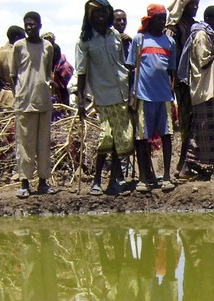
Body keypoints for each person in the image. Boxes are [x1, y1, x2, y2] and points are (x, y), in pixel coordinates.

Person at [77, 0, 135, 195]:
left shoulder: (115, 36)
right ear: (90, 16)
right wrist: (80, 102)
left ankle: (113, 181)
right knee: (105, 138)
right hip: (102, 96)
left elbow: (122, 64)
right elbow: (81, 73)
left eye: (104, 12)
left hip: (122, 93)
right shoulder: (84, 41)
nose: (101, 16)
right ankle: (96, 181)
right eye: (97, 13)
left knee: (121, 139)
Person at [127, 3, 178, 192]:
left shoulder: (170, 42)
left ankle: (166, 177)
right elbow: (131, 68)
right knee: (142, 138)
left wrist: (172, 94)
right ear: (151, 20)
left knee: (166, 136)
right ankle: (143, 178)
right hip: (143, 96)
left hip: (164, 96)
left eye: (164, 19)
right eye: (158, 19)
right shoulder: (139, 40)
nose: (162, 23)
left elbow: (172, 71)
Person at [178, 6, 214, 181]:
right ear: (208, 18)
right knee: (213, 130)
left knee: (201, 131)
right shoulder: (201, 35)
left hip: (210, 89)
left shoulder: (209, 35)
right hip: (205, 89)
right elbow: (204, 60)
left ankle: (186, 168)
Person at [12, 12, 56, 198]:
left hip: (43, 101)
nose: (29, 27)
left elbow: (47, 73)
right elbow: (14, 74)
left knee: (43, 143)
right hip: (24, 102)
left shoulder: (48, 46)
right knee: (24, 144)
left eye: (32, 24)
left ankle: (44, 181)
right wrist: (19, 94)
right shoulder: (19, 46)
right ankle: (25, 182)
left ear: (39, 25)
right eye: (26, 24)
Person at [166, 0, 201, 174]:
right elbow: (169, 55)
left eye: (197, 4)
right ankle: (183, 162)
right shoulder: (174, 28)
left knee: (197, 120)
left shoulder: (196, 26)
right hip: (182, 80)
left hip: (196, 78)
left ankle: (191, 160)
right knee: (187, 120)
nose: (195, 7)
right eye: (192, 4)